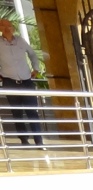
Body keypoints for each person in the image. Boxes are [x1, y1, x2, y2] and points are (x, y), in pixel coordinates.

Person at [0, 18, 45, 147]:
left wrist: (35, 68)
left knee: (32, 111)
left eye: (9, 25)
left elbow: (32, 54)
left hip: (26, 81)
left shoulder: (20, 41)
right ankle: (24, 140)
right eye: (3, 26)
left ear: (13, 27)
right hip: (9, 81)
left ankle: (39, 141)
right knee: (17, 112)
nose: (7, 28)